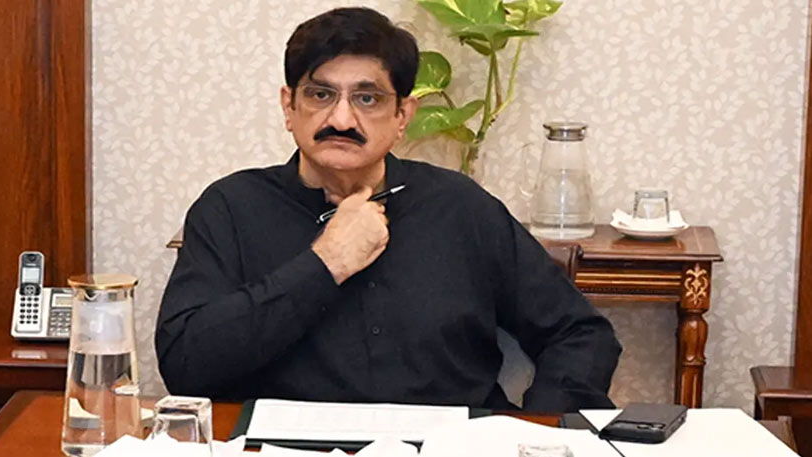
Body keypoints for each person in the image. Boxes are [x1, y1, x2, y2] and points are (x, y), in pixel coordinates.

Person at [155, 6, 621, 413]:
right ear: (288, 107)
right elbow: (186, 366)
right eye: (320, 95)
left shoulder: (461, 208)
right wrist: (325, 264)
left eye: (367, 98)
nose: (341, 119)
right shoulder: (230, 209)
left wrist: (534, 431)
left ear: (403, 116)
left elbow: (581, 335)